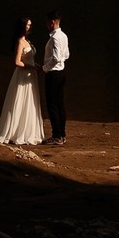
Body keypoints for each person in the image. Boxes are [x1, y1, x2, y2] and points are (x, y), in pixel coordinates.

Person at [0, 17, 48, 146]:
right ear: (22, 26)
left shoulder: (27, 41)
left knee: (30, 101)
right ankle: (15, 132)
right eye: (27, 25)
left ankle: (27, 131)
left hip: (30, 75)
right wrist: (30, 66)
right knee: (20, 100)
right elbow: (17, 62)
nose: (29, 27)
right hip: (22, 75)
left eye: (30, 25)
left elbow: (29, 59)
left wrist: (36, 66)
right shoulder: (20, 42)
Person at [39, 13, 70, 144]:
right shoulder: (63, 36)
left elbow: (56, 58)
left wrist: (45, 68)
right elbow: (66, 55)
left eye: (47, 23)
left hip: (53, 74)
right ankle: (62, 134)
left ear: (52, 22)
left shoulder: (56, 37)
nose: (47, 25)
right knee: (60, 105)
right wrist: (59, 62)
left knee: (52, 105)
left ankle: (57, 136)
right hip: (61, 73)